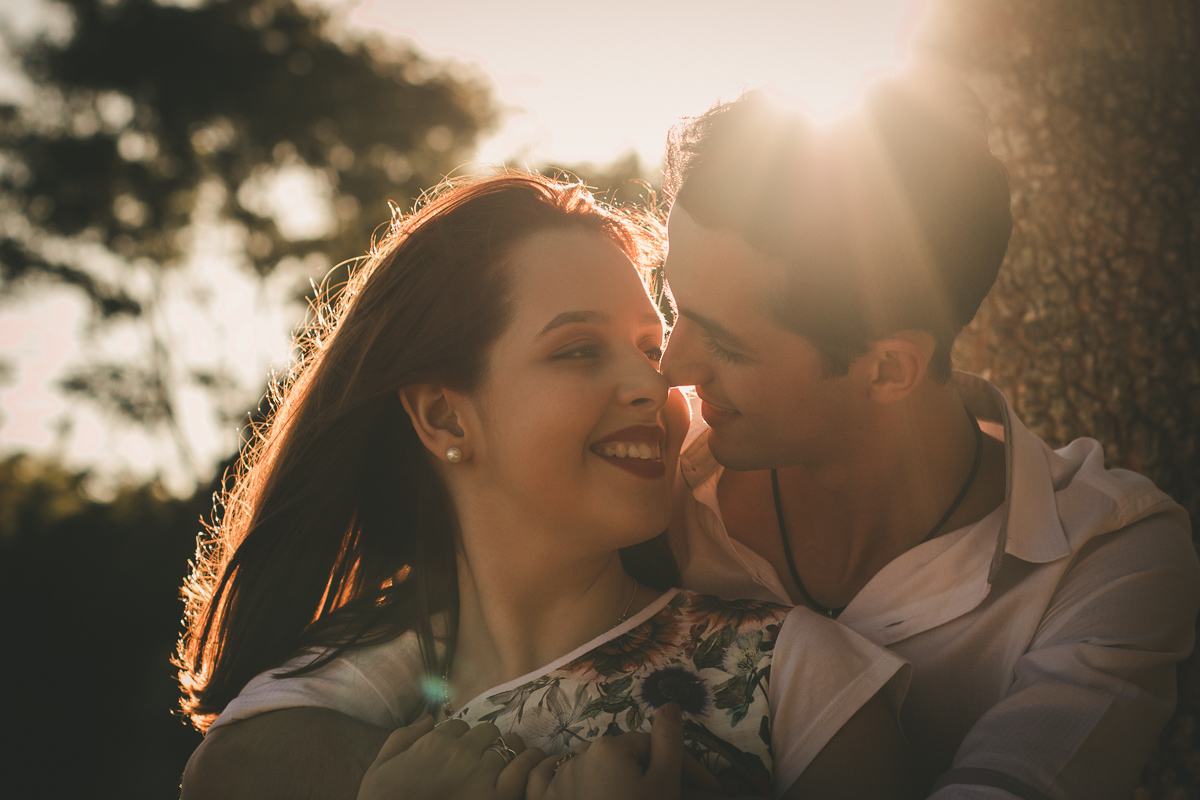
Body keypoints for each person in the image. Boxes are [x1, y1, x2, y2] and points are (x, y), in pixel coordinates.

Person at [177, 172, 914, 800]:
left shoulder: (800, 683)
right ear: (444, 418)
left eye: (649, 347)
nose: (654, 384)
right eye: (578, 350)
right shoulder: (330, 700)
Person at [656, 72, 1200, 799]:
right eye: (672, 303)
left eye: (726, 344)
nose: (670, 367)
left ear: (888, 369)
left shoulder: (1107, 560)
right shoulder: (654, 473)